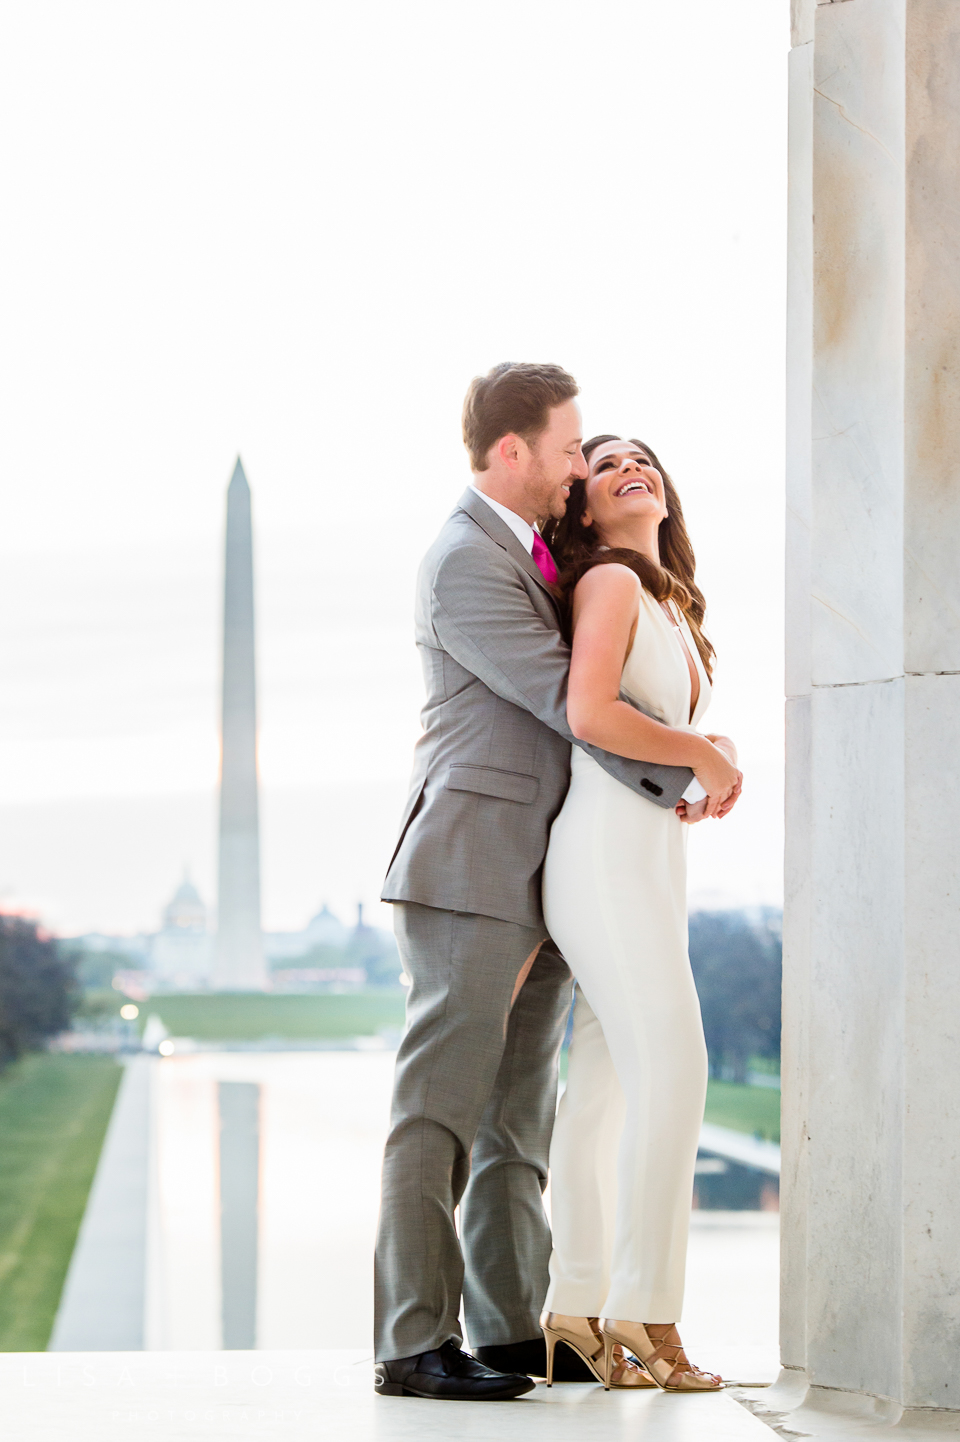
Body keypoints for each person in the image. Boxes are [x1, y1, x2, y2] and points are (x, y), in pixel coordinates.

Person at [373, 367, 740, 1401]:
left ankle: (505, 1325)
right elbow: (565, 699)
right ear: (513, 453)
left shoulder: (539, 557)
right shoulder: (463, 561)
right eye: (574, 446)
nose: (585, 464)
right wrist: (694, 762)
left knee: (518, 1120)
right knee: (439, 1110)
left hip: (548, 872)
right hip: (472, 862)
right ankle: (412, 1340)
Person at [539, 435, 739, 1391]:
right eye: (606, 461)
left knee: (607, 1092)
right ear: (583, 509)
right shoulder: (610, 583)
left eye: (643, 457)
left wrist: (710, 742)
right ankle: (645, 1309)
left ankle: (573, 1306)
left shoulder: (667, 602)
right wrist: (701, 757)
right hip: (607, 853)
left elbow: (659, 719)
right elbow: (590, 712)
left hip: (648, 854)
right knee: (678, 1068)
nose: (630, 465)